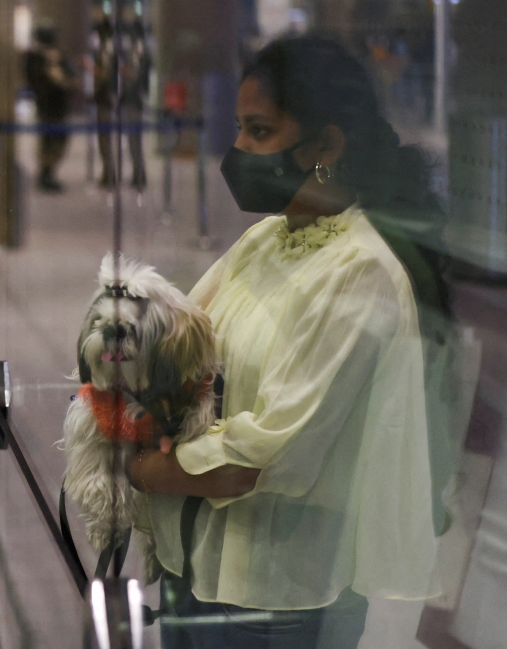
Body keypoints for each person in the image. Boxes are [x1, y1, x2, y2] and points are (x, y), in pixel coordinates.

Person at [127, 36, 440, 648]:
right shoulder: (263, 242)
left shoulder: (360, 273)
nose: (238, 149)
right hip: (192, 574)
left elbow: (265, 454)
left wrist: (147, 468)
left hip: (275, 600)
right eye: (241, 127)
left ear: (326, 146)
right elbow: (171, 353)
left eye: (261, 131)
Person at [92, 7, 150, 190]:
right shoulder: (107, 44)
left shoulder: (135, 45)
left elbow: (138, 72)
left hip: (128, 96)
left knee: (132, 138)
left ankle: (137, 173)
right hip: (109, 97)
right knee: (108, 137)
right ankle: (111, 172)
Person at [25, 26, 76, 192]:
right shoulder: (34, 58)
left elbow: (70, 77)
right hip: (46, 105)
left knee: (59, 141)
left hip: (59, 105)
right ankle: (45, 173)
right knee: (47, 142)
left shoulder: (57, 55)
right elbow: (36, 80)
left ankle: (49, 171)